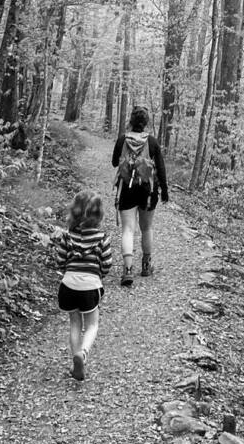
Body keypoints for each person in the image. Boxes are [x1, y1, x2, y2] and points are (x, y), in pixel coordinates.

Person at [53, 190, 112, 381]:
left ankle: (75, 358)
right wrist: (99, 274)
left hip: (68, 285)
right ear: (99, 214)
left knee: (75, 323)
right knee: (92, 324)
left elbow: (60, 261)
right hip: (90, 286)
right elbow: (107, 263)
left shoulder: (68, 236)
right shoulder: (103, 237)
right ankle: (83, 354)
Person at [112, 105, 168, 286]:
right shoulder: (152, 141)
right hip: (148, 190)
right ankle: (145, 265)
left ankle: (127, 269)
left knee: (128, 229)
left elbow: (114, 162)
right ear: (146, 123)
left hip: (126, 189)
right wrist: (165, 190)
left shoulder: (122, 139)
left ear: (131, 120)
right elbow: (160, 168)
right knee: (147, 228)